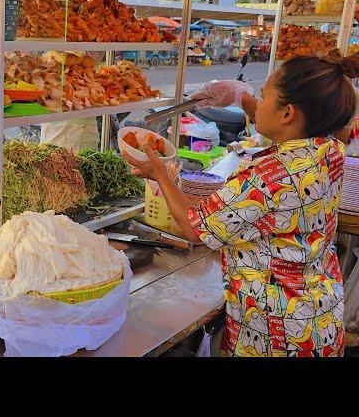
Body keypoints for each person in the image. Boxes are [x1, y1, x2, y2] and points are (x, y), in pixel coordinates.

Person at [121, 49, 359, 357]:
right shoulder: (329, 151)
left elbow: (196, 228)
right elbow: (289, 140)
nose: (256, 106)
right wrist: (241, 97)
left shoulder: (266, 177)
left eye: (263, 97)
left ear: (287, 113)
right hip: (318, 320)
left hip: (275, 331)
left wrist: (161, 175)